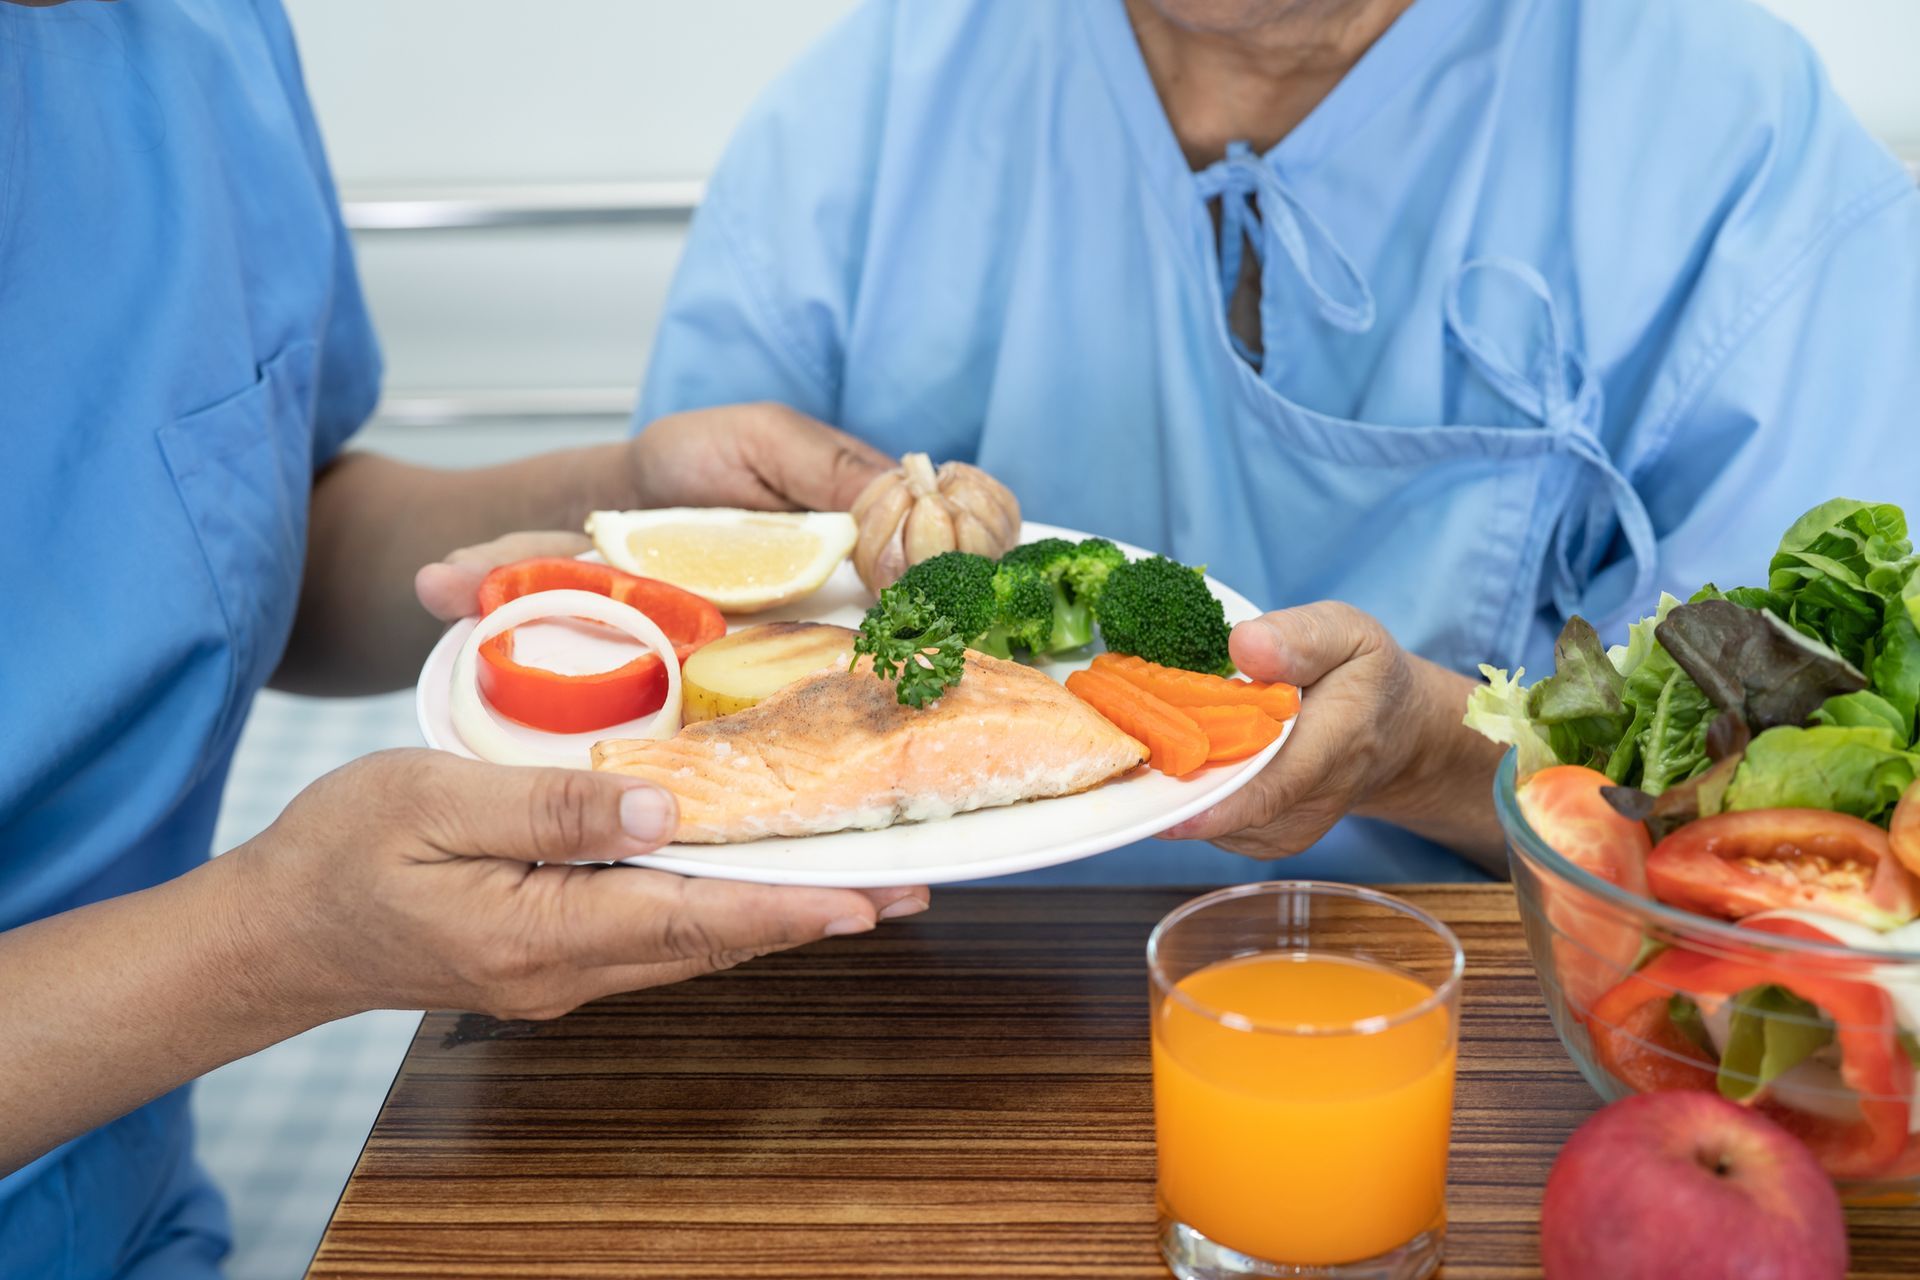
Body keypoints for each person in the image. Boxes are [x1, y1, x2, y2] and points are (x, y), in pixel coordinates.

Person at [0, 4, 926, 1275]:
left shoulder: (198, 40)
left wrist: (614, 504)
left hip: (140, 1219)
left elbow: (223, 544)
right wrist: (274, 939)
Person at [636, 0, 1920, 884]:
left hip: (1479, 1028)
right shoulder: (881, 101)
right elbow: (682, 659)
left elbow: (1787, 834)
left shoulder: (1733, 154)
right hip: (879, 1019)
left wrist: (1432, 757)